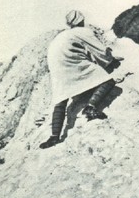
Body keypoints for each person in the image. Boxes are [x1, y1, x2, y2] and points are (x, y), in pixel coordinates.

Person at [39, 10, 121, 149]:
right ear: (82, 21)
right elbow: (101, 50)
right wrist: (111, 60)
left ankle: (54, 137)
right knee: (108, 81)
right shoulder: (83, 31)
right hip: (70, 64)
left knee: (61, 98)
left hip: (56, 66)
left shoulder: (64, 34)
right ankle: (91, 108)